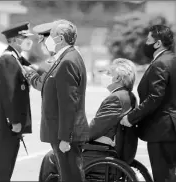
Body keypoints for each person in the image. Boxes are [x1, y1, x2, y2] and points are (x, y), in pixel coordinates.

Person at [38, 58, 138, 182]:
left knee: (51, 157)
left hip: (102, 153)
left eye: (108, 73)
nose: (104, 76)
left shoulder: (116, 98)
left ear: (117, 78)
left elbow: (94, 130)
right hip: (113, 150)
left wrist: (70, 137)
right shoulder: (128, 96)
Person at [27, 19, 89, 182]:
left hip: (65, 133)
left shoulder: (67, 61)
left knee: (70, 176)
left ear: (60, 39)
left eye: (50, 35)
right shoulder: (67, 57)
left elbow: (69, 103)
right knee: (68, 174)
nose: (46, 40)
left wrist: (65, 137)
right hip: (64, 131)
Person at [120, 25, 176, 182]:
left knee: (163, 175)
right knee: (169, 173)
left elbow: (154, 97)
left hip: (162, 129)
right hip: (171, 127)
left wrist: (131, 118)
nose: (146, 43)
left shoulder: (160, 64)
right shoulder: (172, 60)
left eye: (148, 39)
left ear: (157, 43)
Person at [0, 22, 34, 182]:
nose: (29, 41)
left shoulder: (16, 58)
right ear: (15, 40)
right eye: (24, 38)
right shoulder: (8, 60)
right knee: (2, 166)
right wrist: (14, 120)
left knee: (7, 165)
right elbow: (9, 94)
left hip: (12, 124)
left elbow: (35, 70)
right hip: (7, 124)